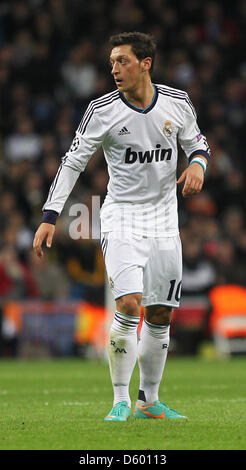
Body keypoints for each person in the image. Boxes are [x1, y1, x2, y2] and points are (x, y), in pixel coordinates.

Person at [33, 32, 210, 421]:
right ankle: (119, 400)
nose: (114, 69)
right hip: (122, 216)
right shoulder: (102, 110)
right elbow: (72, 162)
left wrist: (197, 164)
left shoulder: (177, 104)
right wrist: (50, 216)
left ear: (146, 63)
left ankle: (149, 399)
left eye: (123, 61)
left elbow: (198, 144)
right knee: (129, 305)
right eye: (112, 62)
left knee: (161, 312)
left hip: (164, 220)